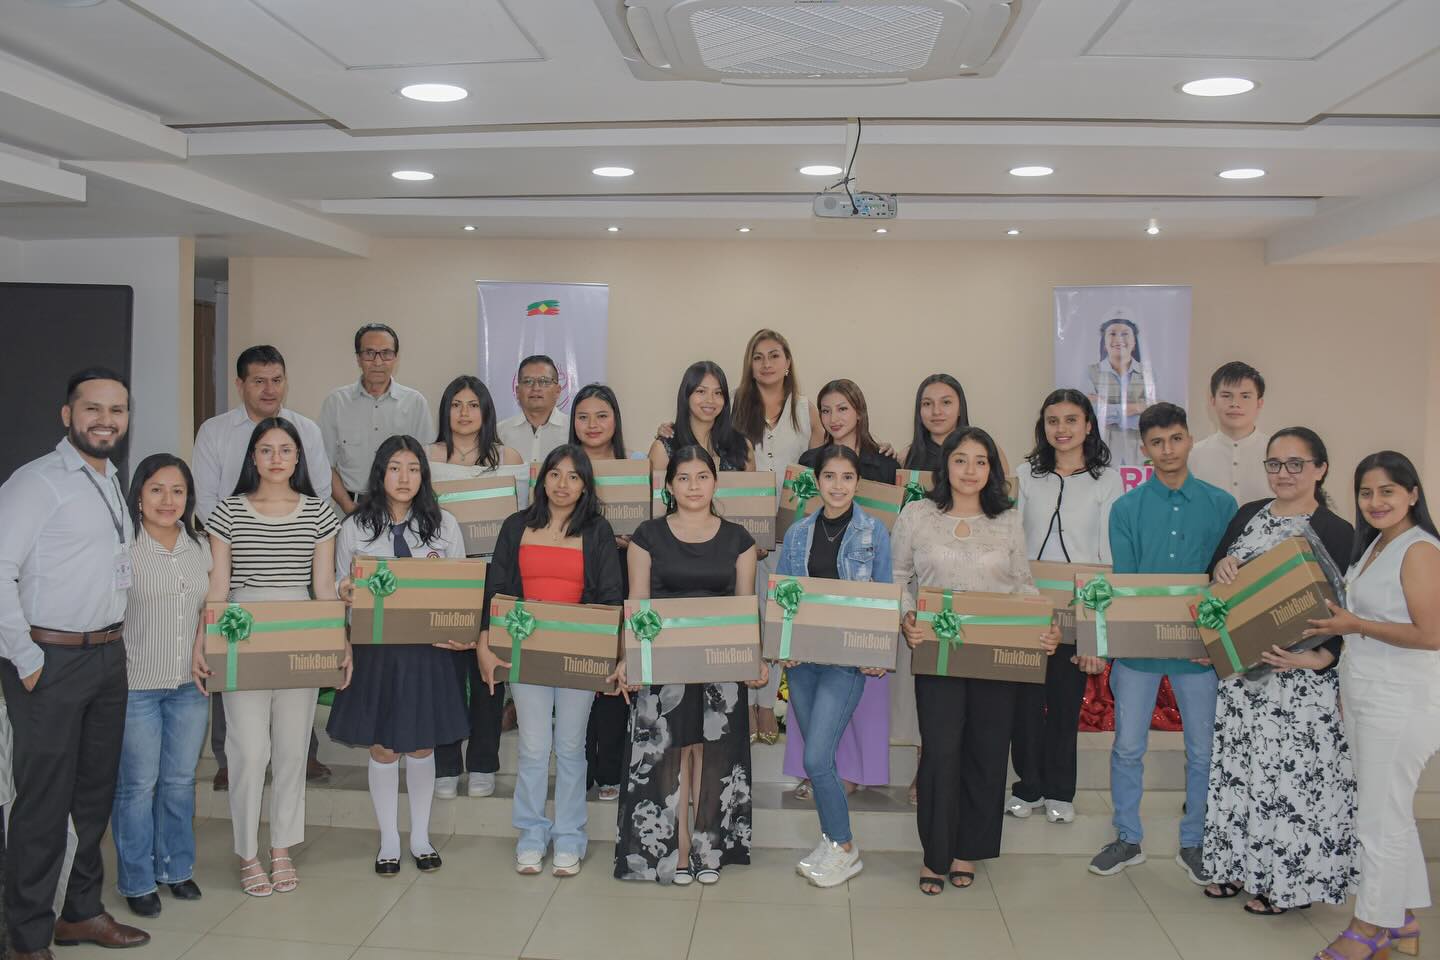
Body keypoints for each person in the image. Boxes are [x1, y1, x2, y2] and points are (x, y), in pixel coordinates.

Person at [0, 367, 150, 956]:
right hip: (50, 662)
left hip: (107, 658)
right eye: (93, 409)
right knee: (42, 805)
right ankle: (26, 935)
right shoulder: (36, 481)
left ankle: (80, 912)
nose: (106, 420)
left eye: (117, 410)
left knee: (93, 796)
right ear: (68, 415)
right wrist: (26, 657)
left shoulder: (111, 481)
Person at [893, 427, 1061, 897]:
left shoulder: (1007, 519)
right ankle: (935, 853)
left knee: (986, 752)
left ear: (992, 470)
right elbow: (897, 576)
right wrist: (907, 617)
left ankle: (968, 848)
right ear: (945, 464)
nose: (970, 470)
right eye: (961, 460)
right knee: (941, 750)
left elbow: (1022, 584)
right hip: (938, 650)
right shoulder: (917, 514)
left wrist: (1044, 627)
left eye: (981, 461)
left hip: (996, 655)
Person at [1201, 427, 1357, 916]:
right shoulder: (1248, 514)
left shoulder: (1337, 530)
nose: (1283, 473)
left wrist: (1323, 657)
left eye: (1295, 464)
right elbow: (1215, 581)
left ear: (1320, 469)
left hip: (1298, 681)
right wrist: (1222, 567)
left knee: (1288, 783)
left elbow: (1350, 607)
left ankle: (1283, 883)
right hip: (1244, 681)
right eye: (1274, 463)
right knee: (1241, 775)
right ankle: (1235, 867)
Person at [191, 417, 348, 898]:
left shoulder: (320, 513)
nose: (276, 458)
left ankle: (281, 849)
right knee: (248, 750)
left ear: (298, 458)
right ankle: (247, 853)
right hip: (241, 633)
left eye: (285, 450)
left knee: (292, 750)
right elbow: (218, 588)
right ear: (253, 458)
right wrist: (203, 641)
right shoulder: (227, 512)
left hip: (300, 631)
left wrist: (340, 642)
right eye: (266, 450)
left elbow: (324, 587)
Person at [1087, 402, 1236, 883]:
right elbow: (1128, 586)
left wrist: (1213, 643)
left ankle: (1196, 841)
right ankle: (1127, 837)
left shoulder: (1222, 505)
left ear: (1189, 439)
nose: (1167, 449)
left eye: (1175, 438)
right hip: (1139, 650)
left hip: (1200, 653)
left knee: (1203, 751)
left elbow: (1225, 584)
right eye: (1157, 442)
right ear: (1144, 450)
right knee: (1128, 748)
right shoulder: (1126, 508)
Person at [1304, 451, 1439, 960]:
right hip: (1366, 694)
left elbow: (1431, 634)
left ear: (1412, 494)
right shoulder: (1377, 546)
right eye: (1366, 492)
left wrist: (1354, 625)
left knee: (1378, 820)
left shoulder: (1419, 550)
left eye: (1387, 491)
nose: (1375, 501)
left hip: (1401, 700)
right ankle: (1401, 919)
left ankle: (1369, 927)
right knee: (1388, 812)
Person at [613, 446, 766, 885]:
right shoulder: (647, 537)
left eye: (702, 477)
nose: (694, 486)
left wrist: (753, 658)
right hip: (665, 662)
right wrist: (627, 659)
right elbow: (637, 604)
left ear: (715, 483)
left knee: (712, 755)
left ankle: (707, 848)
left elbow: (745, 607)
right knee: (671, 755)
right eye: (683, 478)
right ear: (669, 486)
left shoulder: (739, 540)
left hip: (721, 664)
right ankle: (676, 850)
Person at [477, 445, 623, 877]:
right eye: (555, 474)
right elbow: (496, 588)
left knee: (572, 747)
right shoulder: (516, 526)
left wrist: (612, 654)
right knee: (534, 746)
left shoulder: (597, 530)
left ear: (586, 486)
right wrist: (486, 642)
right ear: (542, 480)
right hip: (526, 653)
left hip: (578, 654)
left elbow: (610, 596)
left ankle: (570, 836)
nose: (563, 484)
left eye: (574, 476)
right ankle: (531, 834)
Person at [329, 436, 471, 877]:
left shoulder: (443, 525)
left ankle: (421, 837)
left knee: (422, 743)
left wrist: (461, 632)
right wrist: (345, 591)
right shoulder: (355, 527)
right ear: (380, 474)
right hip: (376, 652)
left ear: (423, 475)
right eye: (394, 468)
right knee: (384, 746)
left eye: (413, 468)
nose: (404, 477)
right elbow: (338, 584)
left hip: (427, 652)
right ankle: (389, 839)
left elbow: (461, 588)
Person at [192, 344, 331, 790]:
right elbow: (205, 497)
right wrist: (241, 533)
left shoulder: (306, 429)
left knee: (295, 667)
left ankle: (303, 753)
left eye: (276, 380)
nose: (269, 389)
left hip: (292, 560)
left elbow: (319, 489)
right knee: (234, 667)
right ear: (240, 384)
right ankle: (228, 758)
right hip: (234, 562)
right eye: (258, 381)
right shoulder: (215, 431)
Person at [773, 445, 892, 887]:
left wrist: (876, 653)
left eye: (846, 477)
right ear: (817, 481)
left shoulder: (874, 532)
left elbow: (883, 594)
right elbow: (783, 594)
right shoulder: (798, 532)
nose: (837, 485)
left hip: (845, 662)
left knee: (817, 756)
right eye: (829, 476)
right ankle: (831, 839)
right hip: (803, 661)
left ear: (857, 482)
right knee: (818, 759)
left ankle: (844, 846)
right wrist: (784, 645)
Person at [1007, 389, 1122, 825]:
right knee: (1024, 706)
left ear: (1088, 425)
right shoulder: (1026, 475)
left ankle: (1060, 790)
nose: (1062, 429)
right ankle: (1028, 787)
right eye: (1053, 420)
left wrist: (1095, 634)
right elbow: (1011, 541)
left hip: (1079, 607)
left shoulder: (1107, 481)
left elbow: (1107, 556)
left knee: (1064, 703)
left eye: (1071, 420)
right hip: (1029, 606)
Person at [111, 455, 212, 919]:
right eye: (156, 489)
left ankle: (175, 868)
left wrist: (203, 643)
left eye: (177, 491)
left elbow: (211, 609)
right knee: (137, 786)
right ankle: (136, 879)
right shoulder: (123, 548)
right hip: (136, 687)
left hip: (189, 686)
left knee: (179, 782)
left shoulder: (201, 547)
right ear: (138, 495)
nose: (167, 500)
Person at [787, 379, 898, 800]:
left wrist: (878, 644)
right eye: (826, 410)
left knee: (857, 703)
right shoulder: (806, 465)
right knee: (814, 711)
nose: (834, 418)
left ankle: (847, 774)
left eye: (843, 408)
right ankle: (820, 772)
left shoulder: (883, 463)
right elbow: (788, 574)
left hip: (859, 622)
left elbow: (883, 577)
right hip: (811, 626)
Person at [428, 376, 526, 801]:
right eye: (456, 404)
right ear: (445, 410)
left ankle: (484, 762)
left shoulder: (509, 457)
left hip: (494, 574)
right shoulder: (428, 456)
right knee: (444, 674)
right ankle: (446, 764)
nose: (464, 413)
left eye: (473, 404)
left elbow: (522, 518)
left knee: (489, 672)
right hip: (445, 576)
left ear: (486, 411)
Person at [732, 331, 823, 748]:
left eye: (774, 355)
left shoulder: (805, 410)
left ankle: (767, 702)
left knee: (779, 617)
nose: (766, 364)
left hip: (791, 534)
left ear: (788, 363)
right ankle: (746, 702)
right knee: (746, 616)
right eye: (758, 357)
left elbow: (820, 464)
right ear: (750, 365)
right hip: (743, 533)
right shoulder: (736, 406)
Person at [895, 372, 970, 803]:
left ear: (960, 407)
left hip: (972, 586)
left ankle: (958, 772)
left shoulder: (982, 451)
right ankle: (926, 767)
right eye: (927, 403)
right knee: (929, 690)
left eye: (945, 402)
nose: (936, 411)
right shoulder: (909, 457)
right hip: (925, 584)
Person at [568, 384, 632, 801]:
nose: (592, 425)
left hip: (620, 571)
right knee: (576, 667)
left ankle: (609, 767)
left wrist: (633, 537)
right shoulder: (562, 468)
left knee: (612, 666)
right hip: (570, 574)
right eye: (583, 416)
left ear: (615, 421)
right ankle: (579, 765)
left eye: (602, 415)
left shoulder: (635, 467)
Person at [319, 323, 432, 515]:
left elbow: (426, 464)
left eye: (386, 353)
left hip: (402, 511)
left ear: (395, 357)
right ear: (358, 358)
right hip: (348, 509)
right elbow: (325, 464)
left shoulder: (415, 403)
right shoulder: (336, 402)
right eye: (369, 353)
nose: (378, 361)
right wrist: (348, 506)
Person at [1188, 361, 1272, 506]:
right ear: (1213, 401)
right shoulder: (1192, 456)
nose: (1235, 403)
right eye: (1226, 395)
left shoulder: (1277, 454)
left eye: (1245, 396)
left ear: (1260, 403)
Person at [647, 361, 755, 473]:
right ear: (686, 395)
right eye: (701, 391)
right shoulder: (663, 449)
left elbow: (753, 485)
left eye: (718, 393)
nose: (710, 400)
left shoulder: (743, 446)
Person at [1086, 317, 1155, 466]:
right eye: (1112, 333)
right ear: (1104, 343)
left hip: (1140, 446)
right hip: (1101, 445)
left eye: (1125, 334)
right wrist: (1139, 407)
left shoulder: (1149, 374)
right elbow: (1091, 412)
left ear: (1134, 342)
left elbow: (1155, 413)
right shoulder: (1090, 372)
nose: (1118, 339)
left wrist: (1108, 409)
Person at [497, 355, 569, 465]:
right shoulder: (500, 432)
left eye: (544, 381)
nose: (536, 388)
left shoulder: (572, 429)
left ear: (558, 391)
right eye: (528, 381)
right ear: (517, 391)